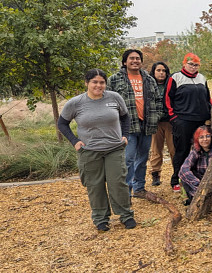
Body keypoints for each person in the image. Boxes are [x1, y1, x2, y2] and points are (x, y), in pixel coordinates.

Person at [57, 69, 136, 231]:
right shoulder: (76, 103)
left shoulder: (114, 98)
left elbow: (125, 117)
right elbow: (62, 123)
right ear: (87, 83)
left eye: (101, 82)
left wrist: (125, 135)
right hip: (90, 151)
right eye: (94, 82)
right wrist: (75, 141)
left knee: (118, 183)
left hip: (114, 148)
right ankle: (100, 218)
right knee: (95, 185)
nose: (98, 85)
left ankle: (126, 215)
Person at [107, 49, 161, 198]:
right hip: (127, 127)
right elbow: (108, 102)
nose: (135, 61)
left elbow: (158, 100)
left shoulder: (149, 79)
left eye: (138, 58)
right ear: (125, 62)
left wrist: (156, 116)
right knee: (128, 159)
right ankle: (126, 192)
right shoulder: (115, 79)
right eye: (131, 58)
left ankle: (139, 188)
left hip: (147, 125)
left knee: (143, 158)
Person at [165, 53, 212, 193]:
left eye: (196, 65)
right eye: (190, 64)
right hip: (183, 121)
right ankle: (176, 179)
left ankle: (197, 176)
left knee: (201, 149)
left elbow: (208, 98)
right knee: (182, 150)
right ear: (184, 64)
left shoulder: (201, 78)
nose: (193, 67)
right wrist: (174, 119)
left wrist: (210, 114)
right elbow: (167, 99)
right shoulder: (175, 77)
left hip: (201, 121)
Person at [178, 126, 212, 216]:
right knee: (184, 177)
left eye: (207, 136)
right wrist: (198, 185)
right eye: (201, 137)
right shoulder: (196, 151)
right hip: (200, 185)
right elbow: (184, 169)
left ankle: (207, 203)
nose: (205, 139)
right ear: (197, 139)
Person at [148, 62, 175, 186]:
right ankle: (155, 173)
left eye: (163, 70)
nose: (161, 73)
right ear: (154, 72)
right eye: (158, 70)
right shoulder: (148, 85)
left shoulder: (171, 84)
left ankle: (177, 173)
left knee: (173, 148)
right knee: (155, 149)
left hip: (170, 121)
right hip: (155, 122)